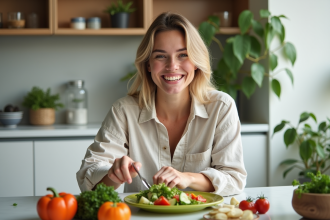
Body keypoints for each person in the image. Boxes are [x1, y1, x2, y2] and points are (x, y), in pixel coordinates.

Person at [76, 12, 247, 196]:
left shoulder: (221, 107)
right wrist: (114, 174)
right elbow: (88, 178)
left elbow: (234, 179)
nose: (172, 66)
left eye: (183, 55)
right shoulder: (124, 111)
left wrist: (188, 178)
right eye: (160, 56)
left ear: (196, 62)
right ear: (148, 64)